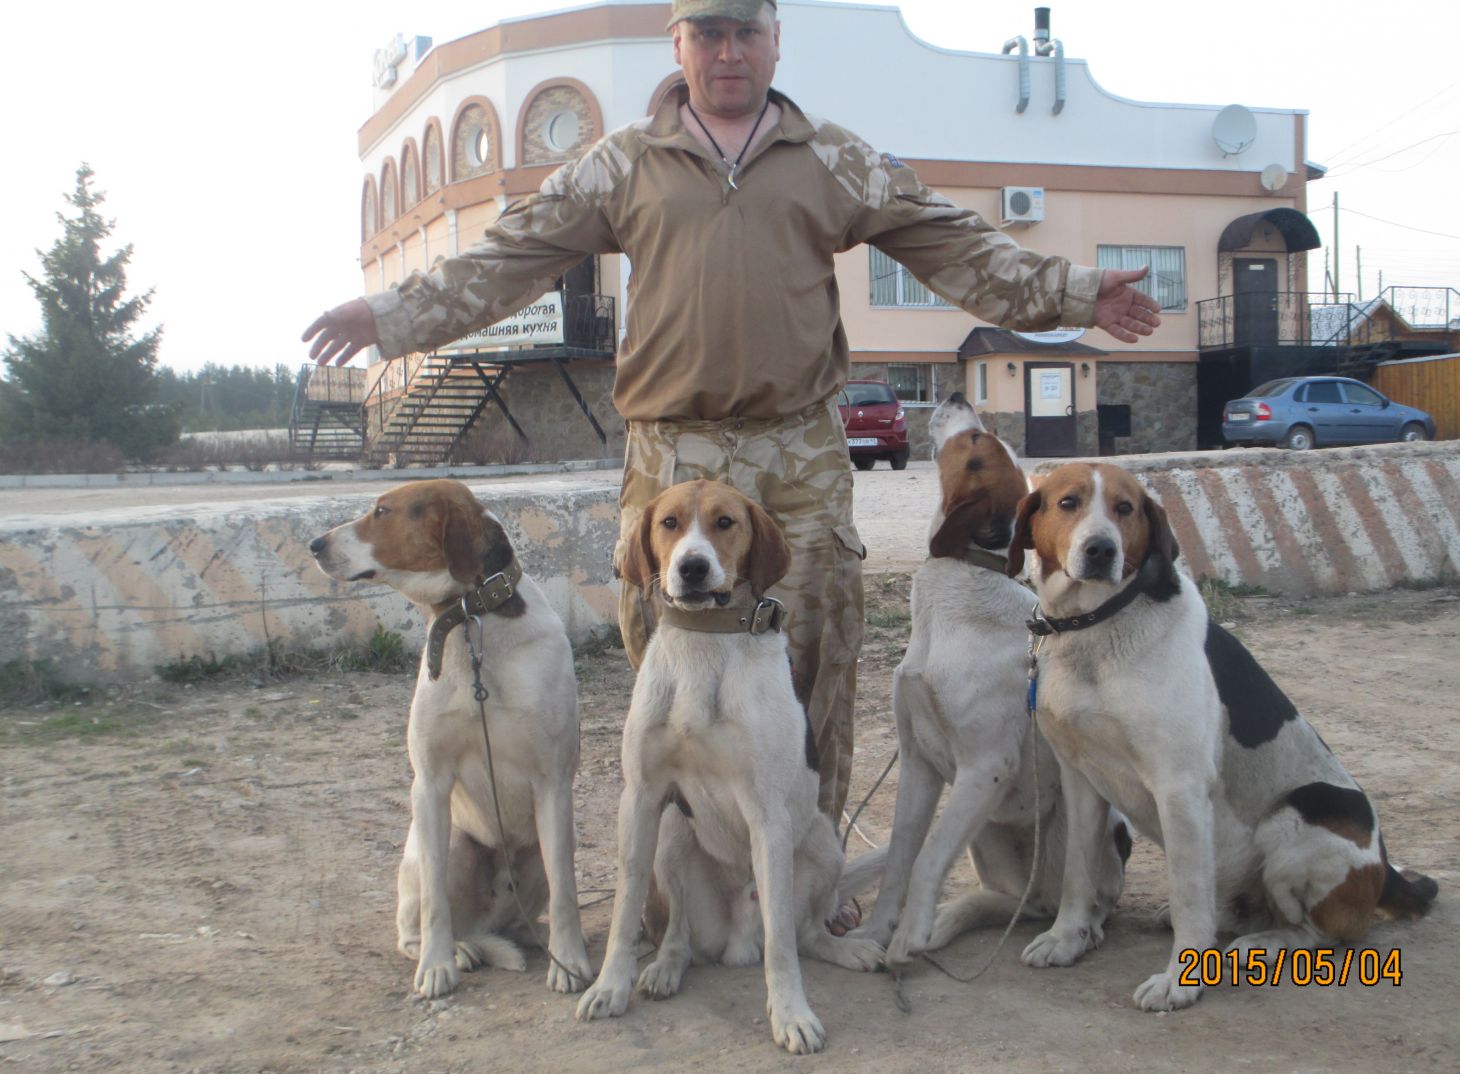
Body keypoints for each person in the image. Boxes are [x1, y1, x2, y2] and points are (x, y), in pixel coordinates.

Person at [304, 0, 1161, 827]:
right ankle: (685, 881)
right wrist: (388, 318)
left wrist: (1077, 292)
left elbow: (952, 242)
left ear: (776, 41)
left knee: (815, 657)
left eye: (744, 33)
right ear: (676, 44)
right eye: (707, 34)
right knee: (672, 670)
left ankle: (809, 868)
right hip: (671, 456)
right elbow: (508, 255)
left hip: (801, 453)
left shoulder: (830, 159)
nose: (727, 53)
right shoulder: (625, 163)